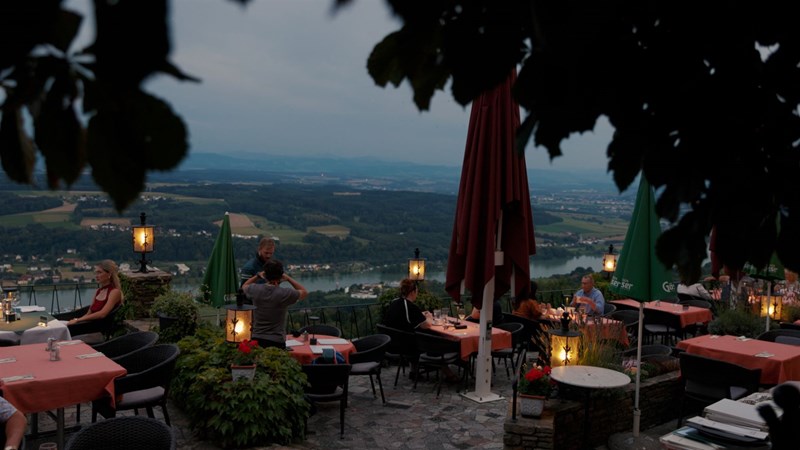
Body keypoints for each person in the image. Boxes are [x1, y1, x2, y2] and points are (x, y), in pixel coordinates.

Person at [243, 259, 308, 349]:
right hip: (276, 341)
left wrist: (257, 276)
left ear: (265, 275)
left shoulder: (255, 289)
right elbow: (304, 292)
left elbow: (244, 286)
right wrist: (288, 279)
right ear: (281, 275)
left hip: (256, 338)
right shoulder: (284, 293)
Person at [68, 259, 123, 327]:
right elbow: (89, 313)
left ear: (109, 274)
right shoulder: (99, 291)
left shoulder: (114, 292)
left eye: (99, 272)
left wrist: (78, 320)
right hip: (89, 324)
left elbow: (102, 314)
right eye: (96, 273)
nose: (96, 275)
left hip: (99, 326)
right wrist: (77, 320)